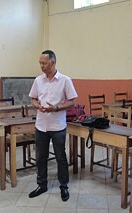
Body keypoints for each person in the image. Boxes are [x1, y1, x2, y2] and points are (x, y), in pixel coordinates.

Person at [28, 50, 78, 202]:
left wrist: (55, 108)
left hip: (57, 126)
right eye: (40, 63)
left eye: (44, 63)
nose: (41, 66)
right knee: (40, 157)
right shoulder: (38, 80)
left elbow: (72, 101)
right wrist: (38, 106)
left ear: (53, 62)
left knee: (60, 157)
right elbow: (33, 98)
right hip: (41, 125)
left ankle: (64, 187)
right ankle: (42, 184)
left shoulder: (65, 80)